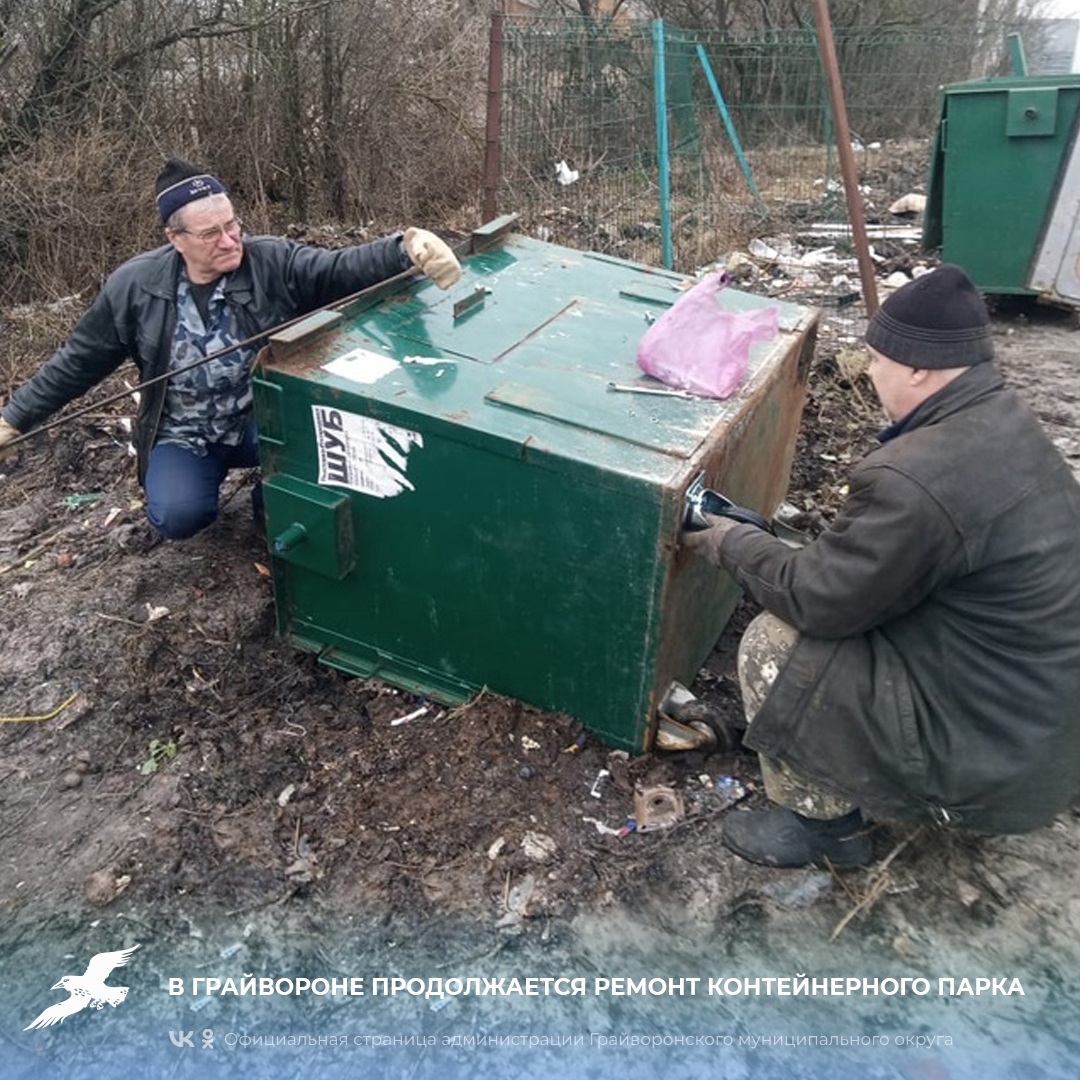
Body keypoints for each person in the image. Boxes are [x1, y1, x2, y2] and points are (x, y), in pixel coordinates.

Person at [683, 264, 1080, 869]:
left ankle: (826, 830)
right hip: (1034, 726)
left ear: (919, 367)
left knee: (774, 644)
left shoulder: (920, 475)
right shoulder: (1002, 422)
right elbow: (884, 566)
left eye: (876, 360)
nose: (869, 373)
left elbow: (818, 600)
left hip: (986, 754)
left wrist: (725, 541)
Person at [0, 158, 461, 539]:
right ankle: (203, 486)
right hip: (184, 433)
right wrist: (13, 418)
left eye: (232, 225)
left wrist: (407, 248)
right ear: (175, 239)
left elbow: (337, 269)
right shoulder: (134, 287)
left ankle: (272, 499)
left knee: (318, 457)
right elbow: (78, 362)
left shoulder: (271, 260)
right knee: (179, 517)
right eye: (209, 234)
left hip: (266, 420)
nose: (228, 241)